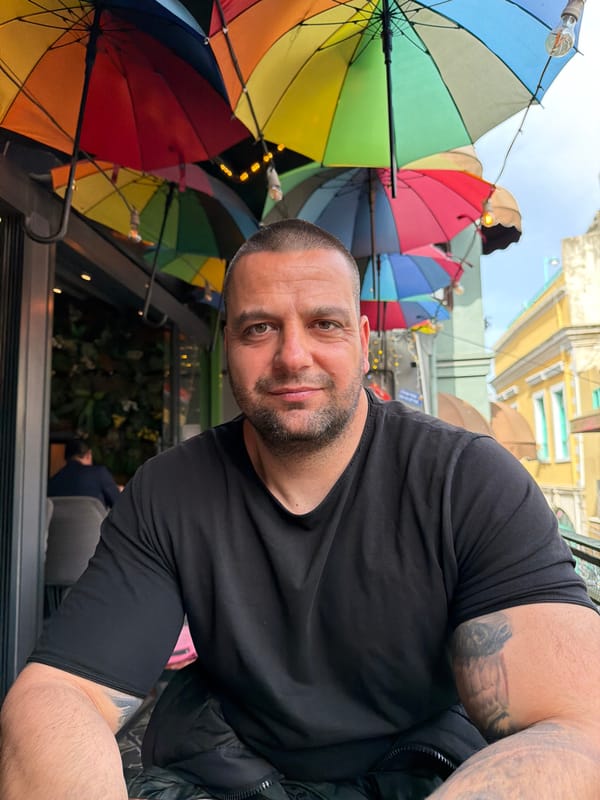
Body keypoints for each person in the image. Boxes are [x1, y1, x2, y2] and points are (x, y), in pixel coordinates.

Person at [1, 219, 600, 800]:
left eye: (325, 324)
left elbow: (577, 727)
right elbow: (60, 694)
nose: (292, 356)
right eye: (259, 328)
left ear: (364, 343)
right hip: (233, 775)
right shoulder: (171, 491)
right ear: (227, 346)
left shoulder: (467, 481)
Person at [48, 437, 121, 509]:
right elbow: (120, 507)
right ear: (88, 454)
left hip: (60, 521)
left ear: (66, 458)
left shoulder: (52, 482)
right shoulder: (99, 473)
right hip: (95, 520)